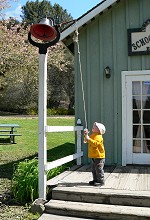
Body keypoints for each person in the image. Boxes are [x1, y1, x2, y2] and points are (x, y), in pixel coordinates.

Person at [84, 122, 106, 186]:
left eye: (95, 126)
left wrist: (88, 138)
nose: (93, 126)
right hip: (94, 156)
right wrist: (86, 135)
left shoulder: (99, 136)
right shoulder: (93, 135)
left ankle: (101, 181)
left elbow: (95, 144)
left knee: (99, 169)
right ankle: (95, 179)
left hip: (99, 156)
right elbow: (86, 140)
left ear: (99, 130)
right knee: (94, 169)